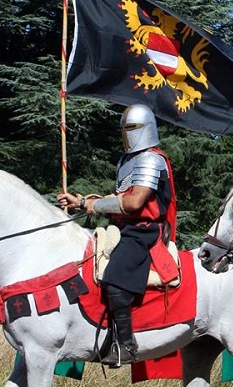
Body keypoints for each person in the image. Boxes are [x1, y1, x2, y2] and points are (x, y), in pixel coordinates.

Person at [58, 104, 176, 367]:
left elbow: (134, 203)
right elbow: (118, 198)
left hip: (144, 231)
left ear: (145, 130)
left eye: (131, 129)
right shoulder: (127, 161)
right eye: (124, 129)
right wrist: (80, 202)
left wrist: (95, 206)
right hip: (125, 228)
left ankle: (125, 345)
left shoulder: (151, 160)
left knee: (113, 278)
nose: (126, 134)